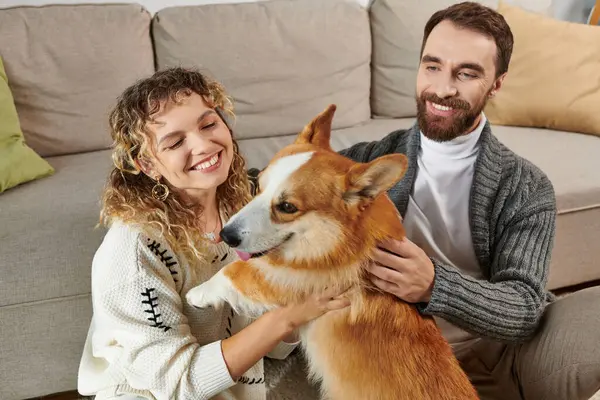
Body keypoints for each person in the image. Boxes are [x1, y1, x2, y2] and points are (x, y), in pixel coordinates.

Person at [339, 2, 600, 399]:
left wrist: (433, 285)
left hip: (490, 355)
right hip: (388, 354)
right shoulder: (364, 160)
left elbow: (524, 308)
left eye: (466, 73)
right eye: (432, 66)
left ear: (497, 83)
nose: (442, 88)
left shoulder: (526, 187)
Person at [76, 67, 350, 400]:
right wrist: (289, 314)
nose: (204, 145)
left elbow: (271, 345)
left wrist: (301, 303)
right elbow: (178, 384)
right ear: (148, 165)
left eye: (209, 124)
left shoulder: (241, 208)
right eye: (175, 142)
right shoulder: (135, 250)